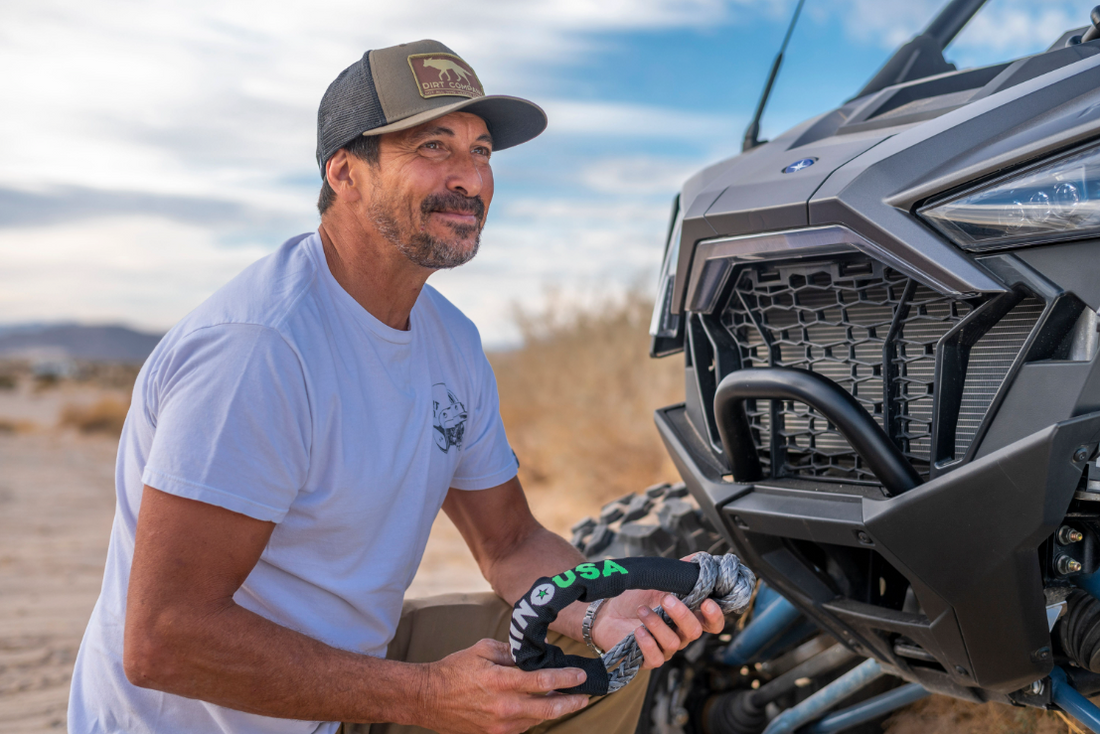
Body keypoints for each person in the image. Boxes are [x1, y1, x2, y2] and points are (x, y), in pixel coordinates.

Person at [67, 39, 725, 734]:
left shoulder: (451, 341)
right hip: (215, 719)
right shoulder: (260, 349)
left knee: (584, 660)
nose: (470, 178)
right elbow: (164, 638)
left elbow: (508, 542)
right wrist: (426, 696)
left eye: (481, 151)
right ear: (345, 172)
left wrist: (604, 611)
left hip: (353, 679)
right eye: (433, 147)